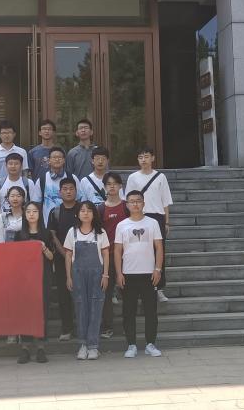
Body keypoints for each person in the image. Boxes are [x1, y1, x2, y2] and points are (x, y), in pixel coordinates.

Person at [114, 190, 164, 358]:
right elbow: (117, 250)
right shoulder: (121, 225)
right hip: (128, 274)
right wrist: (119, 273)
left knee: (151, 311)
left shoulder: (153, 223)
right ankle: (131, 345)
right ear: (127, 205)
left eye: (138, 201)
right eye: (132, 201)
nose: (135, 204)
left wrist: (158, 269)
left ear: (143, 203)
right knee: (129, 311)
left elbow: (159, 247)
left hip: (149, 274)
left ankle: (150, 344)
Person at [125, 147, 174, 302]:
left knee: (159, 252)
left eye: (146, 156)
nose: (143, 160)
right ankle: (140, 289)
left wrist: (166, 221)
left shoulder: (160, 177)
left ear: (152, 158)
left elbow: (165, 201)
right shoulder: (133, 177)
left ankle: (159, 288)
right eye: (140, 157)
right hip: (139, 216)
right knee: (139, 252)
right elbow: (128, 200)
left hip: (157, 217)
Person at [64, 201, 110, 360]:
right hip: (77, 275)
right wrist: (69, 276)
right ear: (77, 214)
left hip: (97, 275)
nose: (85, 213)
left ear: (94, 214)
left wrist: (105, 275)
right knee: (81, 308)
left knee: (96, 308)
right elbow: (68, 255)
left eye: (89, 210)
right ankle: (83, 345)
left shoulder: (100, 232)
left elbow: (106, 254)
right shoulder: (72, 232)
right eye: (82, 210)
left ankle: (93, 346)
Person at [15, 201, 52, 364]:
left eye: (35, 211)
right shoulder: (19, 235)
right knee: (25, 312)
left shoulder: (47, 234)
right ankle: (25, 347)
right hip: (25, 279)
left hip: (43, 276)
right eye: (28, 211)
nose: (31, 214)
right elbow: (14, 259)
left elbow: (51, 257)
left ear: (39, 214)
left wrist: (43, 247)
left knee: (42, 311)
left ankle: (41, 348)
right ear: (24, 214)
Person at [46, 178, 80, 341]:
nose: (68, 191)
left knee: (82, 295)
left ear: (76, 191)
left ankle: (83, 327)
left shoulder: (84, 209)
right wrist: (66, 254)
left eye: (71, 188)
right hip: (61, 259)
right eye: (65, 189)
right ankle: (67, 328)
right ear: (59, 192)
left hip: (82, 258)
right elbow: (52, 236)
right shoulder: (55, 212)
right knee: (64, 295)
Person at [97, 172, 129, 339]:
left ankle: (128, 326)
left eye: (115, 183)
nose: (112, 186)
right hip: (107, 256)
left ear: (120, 186)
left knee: (128, 293)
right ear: (104, 187)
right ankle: (107, 327)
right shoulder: (100, 209)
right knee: (106, 293)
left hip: (127, 256)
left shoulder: (126, 207)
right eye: (108, 184)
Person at [0, 153, 41, 217]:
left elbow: (34, 204)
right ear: (6, 165)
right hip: (3, 220)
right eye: (10, 164)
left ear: (21, 166)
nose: (13, 166)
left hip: (23, 220)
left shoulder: (29, 183)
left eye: (16, 164)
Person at [39, 146, 73, 219]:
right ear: (49, 160)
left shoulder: (71, 177)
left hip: (69, 219)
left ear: (64, 160)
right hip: (48, 221)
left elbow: (79, 198)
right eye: (54, 157)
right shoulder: (42, 179)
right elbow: (36, 202)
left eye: (60, 157)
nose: (57, 159)